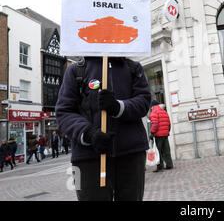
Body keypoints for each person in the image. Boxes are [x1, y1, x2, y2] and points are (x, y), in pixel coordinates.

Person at [56, 57, 152, 201]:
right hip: (88, 157)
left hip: (130, 154)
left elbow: (144, 101)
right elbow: (64, 112)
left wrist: (118, 107)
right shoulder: (75, 70)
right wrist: (88, 133)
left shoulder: (133, 67)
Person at [149, 100, 173, 172]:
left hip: (158, 135)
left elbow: (155, 124)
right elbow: (169, 123)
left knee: (158, 151)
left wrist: (152, 132)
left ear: (152, 106)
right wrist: (167, 131)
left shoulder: (154, 112)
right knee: (166, 150)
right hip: (165, 134)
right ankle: (169, 164)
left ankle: (160, 166)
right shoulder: (164, 111)